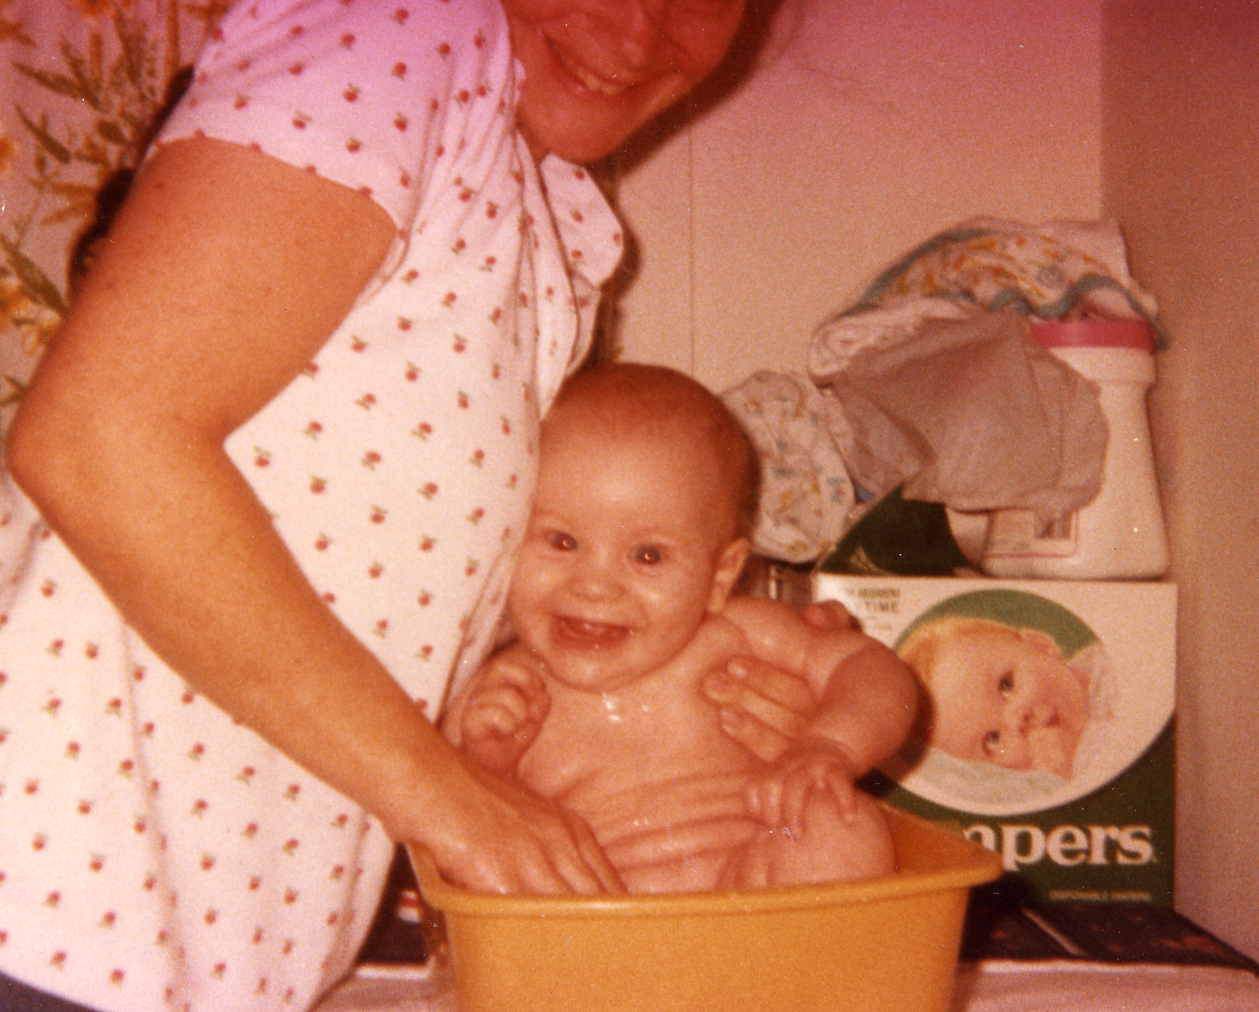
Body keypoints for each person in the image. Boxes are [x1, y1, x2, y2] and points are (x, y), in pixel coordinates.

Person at [0, 2, 823, 1009]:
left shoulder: (539, 200)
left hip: (191, 942)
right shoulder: (397, 26)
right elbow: (98, 442)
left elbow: (377, 580)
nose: (638, 31)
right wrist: (453, 799)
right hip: (53, 893)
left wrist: (683, 702)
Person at [444, 364, 919, 893]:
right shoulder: (501, 694)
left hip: (759, 896)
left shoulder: (736, 634)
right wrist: (490, 765)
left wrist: (830, 745)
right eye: (562, 541)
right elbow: (461, 830)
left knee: (839, 825)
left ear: (720, 576)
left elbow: (870, 668)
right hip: (596, 918)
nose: (594, 585)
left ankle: (803, 947)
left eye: (647, 555)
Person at [897, 615, 1097, 778]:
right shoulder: (1055, 780)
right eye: (993, 739)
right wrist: (1066, 773)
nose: (1016, 719)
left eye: (1006, 685)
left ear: (1040, 645)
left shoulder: (1108, 670)